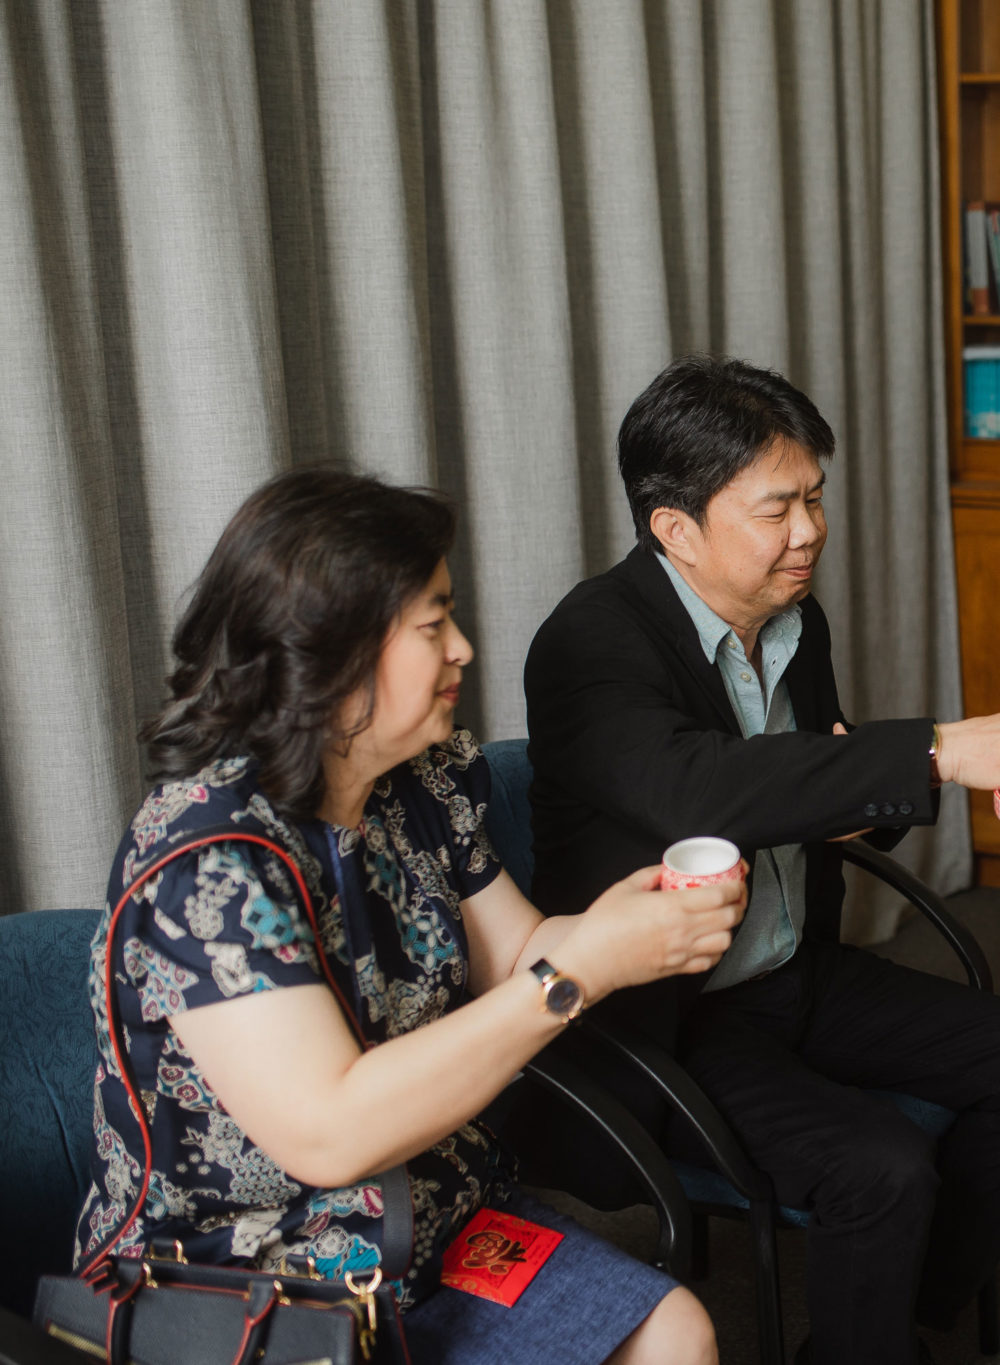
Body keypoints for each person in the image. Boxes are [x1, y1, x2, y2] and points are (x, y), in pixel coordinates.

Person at [73, 470, 746, 1365]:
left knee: (675, 1333)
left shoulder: (420, 784)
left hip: (426, 1219)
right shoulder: (208, 860)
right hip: (248, 1277)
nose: (464, 648)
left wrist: (620, 927)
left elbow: (517, 954)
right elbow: (330, 1131)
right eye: (434, 625)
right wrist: (580, 972)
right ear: (334, 651)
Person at [522, 355, 1000, 1365]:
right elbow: (698, 788)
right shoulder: (589, 641)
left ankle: (891, 1323)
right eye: (775, 508)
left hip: (790, 967)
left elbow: (811, 768)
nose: (809, 533)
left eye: (815, 499)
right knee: (879, 1169)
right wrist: (932, 750)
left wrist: (862, 792)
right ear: (674, 528)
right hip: (672, 1009)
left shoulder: (795, 617)